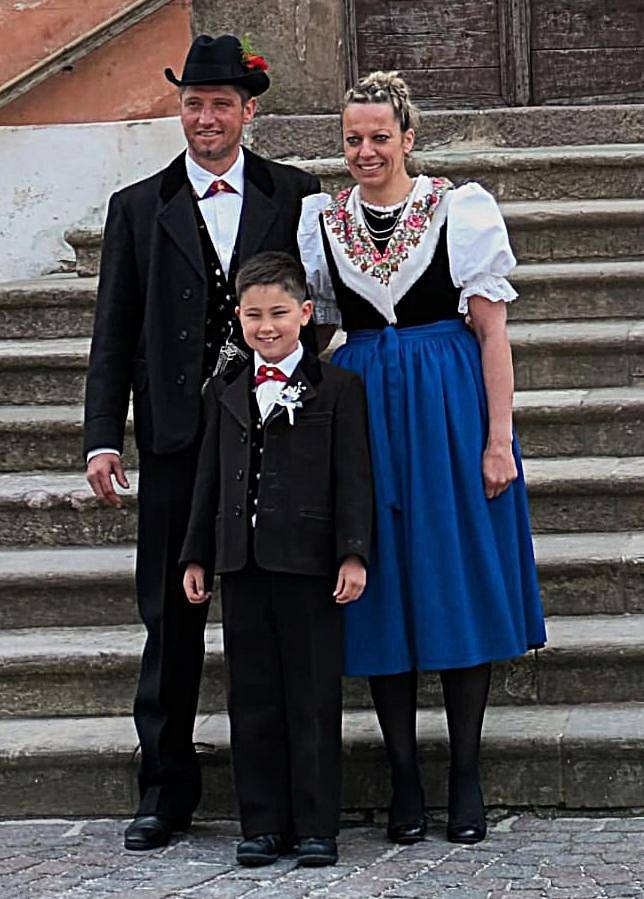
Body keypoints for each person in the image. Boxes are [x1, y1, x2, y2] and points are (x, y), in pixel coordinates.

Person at [84, 34, 322, 851]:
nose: (206, 117)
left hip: (277, 435)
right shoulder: (136, 208)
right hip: (180, 438)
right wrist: (100, 438)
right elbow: (111, 335)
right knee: (170, 616)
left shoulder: (296, 195)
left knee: (283, 613)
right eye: (193, 103)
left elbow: (322, 316)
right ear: (180, 109)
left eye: (221, 104)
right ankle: (164, 788)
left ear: (248, 111)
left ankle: (295, 792)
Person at [297, 71, 547, 846]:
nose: (365, 151)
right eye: (352, 138)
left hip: (447, 404)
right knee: (382, 587)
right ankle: (405, 778)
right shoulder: (323, 221)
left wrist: (498, 437)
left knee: (455, 582)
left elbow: (492, 334)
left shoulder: (458, 209)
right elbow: (311, 331)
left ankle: (464, 776)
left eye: (380, 136)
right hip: (365, 407)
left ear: (409, 137)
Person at [180, 250, 372, 867]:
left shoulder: (339, 387)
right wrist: (196, 555)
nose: (267, 327)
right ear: (238, 316)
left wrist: (353, 553)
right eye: (254, 315)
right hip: (241, 563)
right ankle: (262, 824)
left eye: (280, 314)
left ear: (305, 313)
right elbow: (207, 479)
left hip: (309, 563)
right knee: (253, 697)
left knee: (311, 695)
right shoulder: (226, 391)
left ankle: (317, 825)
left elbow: (354, 477)